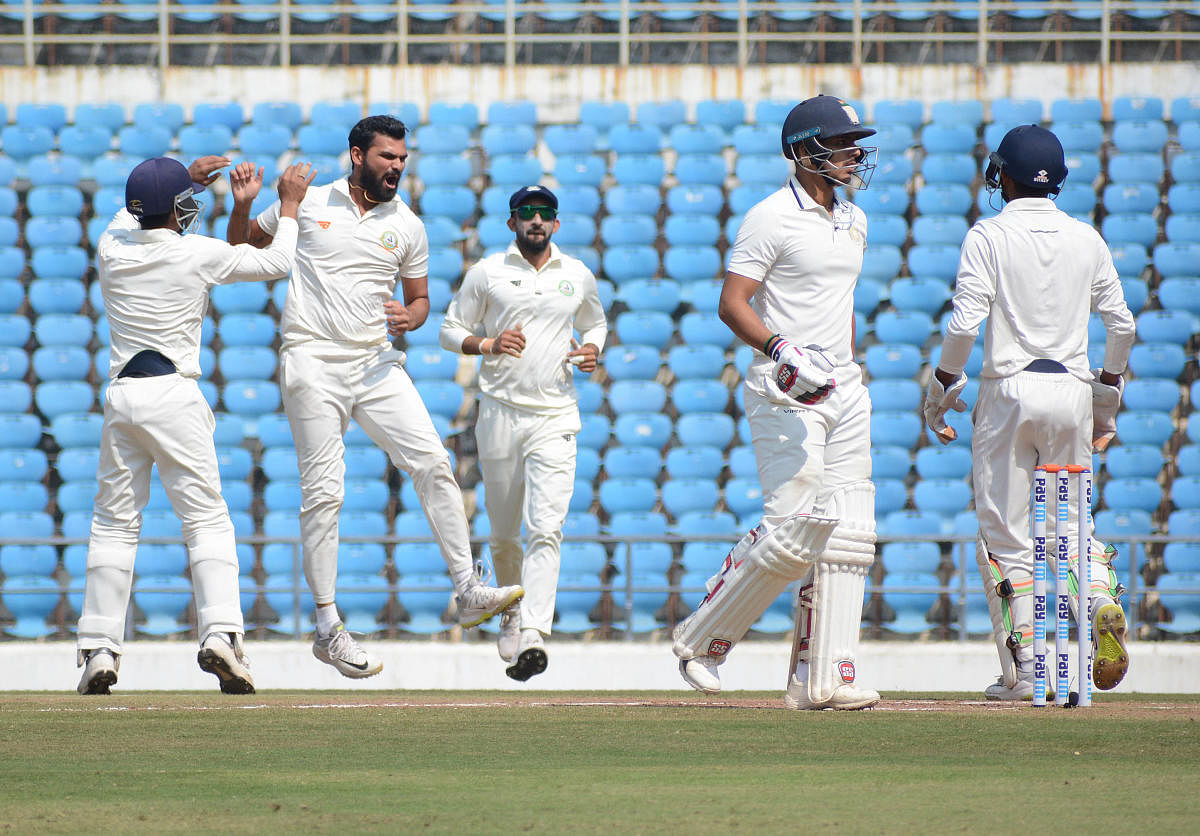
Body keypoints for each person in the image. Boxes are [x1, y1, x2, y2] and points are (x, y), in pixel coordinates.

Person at [226, 115, 523, 679]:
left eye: (403, 159)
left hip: (375, 363)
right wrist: (245, 205)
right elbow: (242, 251)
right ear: (357, 155)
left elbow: (419, 301)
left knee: (434, 461)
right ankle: (327, 627)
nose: (397, 167)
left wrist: (407, 318)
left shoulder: (407, 225)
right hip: (311, 358)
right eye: (387, 157)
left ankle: (468, 588)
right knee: (325, 493)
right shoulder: (309, 200)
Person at [671, 95, 881, 710]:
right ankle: (701, 639)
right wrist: (784, 349)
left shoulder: (854, 219)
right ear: (802, 152)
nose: (852, 153)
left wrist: (842, 369)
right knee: (793, 529)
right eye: (840, 143)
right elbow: (732, 302)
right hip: (784, 387)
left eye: (854, 144)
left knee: (847, 534)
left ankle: (825, 678)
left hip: (843, 386)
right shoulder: (769, 217)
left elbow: (836, 309)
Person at [76, 155, 314, 695]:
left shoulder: (112, 246)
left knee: (113, 524)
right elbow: (277, 262)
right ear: (179, 208)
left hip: (122, 397)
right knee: (206, 520)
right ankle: (222, 637)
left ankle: (98, 650)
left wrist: (179, 176)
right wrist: (291, 205)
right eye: (186, 201)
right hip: (174, 394)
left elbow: (130, 211)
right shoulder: (195, 254)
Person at [923, 124, 1135, 701]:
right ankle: (1100, 597)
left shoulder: (987, 236)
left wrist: (941, 391)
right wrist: (1107, 396)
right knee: (1073, 526)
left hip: (1009, 391)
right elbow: (1122, 325)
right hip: (1072, 390)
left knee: (1006, 535)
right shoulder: (1086, 238)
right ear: (1059, 180)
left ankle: (1025, 674)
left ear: (1004, 177)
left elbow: (964, 324)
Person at [439, 185, 607, 681]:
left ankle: (533, 630)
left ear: (556, 223)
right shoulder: (487, 273)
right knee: (505, 531)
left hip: (555, 416)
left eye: (546, 214)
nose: (537, 221)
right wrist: (488, 343)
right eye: (527, 214)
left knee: (546, 527)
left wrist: (592, 349)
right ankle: (511, 610)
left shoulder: (576, 274)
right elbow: (450, 330)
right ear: (512, 222)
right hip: (499, 414)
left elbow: (595, 322)